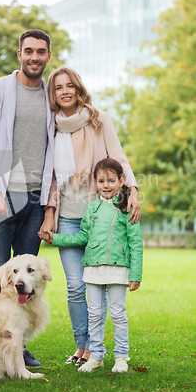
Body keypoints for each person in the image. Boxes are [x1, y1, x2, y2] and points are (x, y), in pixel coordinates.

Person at [38, 66, 140, 367]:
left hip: (98, 216)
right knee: (74, 285)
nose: (65, 91)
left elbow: (118, 157)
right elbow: (51, 175)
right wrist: (50, 211)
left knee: (99, 281)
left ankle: (97, 349)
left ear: (78, 88)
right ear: (53, 94)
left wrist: (132, 189)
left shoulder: (98, 120)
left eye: (70, 85)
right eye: (58, 87)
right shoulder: (52, 127)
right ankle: (82, 346)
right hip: (68, 216)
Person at [0, 29, 55, 367]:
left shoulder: (52, 94)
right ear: (19, 54)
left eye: (41, 51)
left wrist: (50, 203)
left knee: (25, 278)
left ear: (48, 56)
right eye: (29, 51)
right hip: (2, 195)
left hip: (36, 197)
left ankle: (17, 346)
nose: (34, 56)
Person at [44, 158, 143, 373]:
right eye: (100, 181)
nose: (106, 185)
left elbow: (135, 243)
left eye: (111, 180)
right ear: (95, 183)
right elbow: (82, 237)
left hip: (118, 269)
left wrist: (135, 274)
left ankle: (121, 357)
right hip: (92, 270)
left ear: (120, 180)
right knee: (95, 314)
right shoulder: (91, 209)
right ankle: (96, 356)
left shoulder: (127, 208)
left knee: (118, 314)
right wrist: (56, 239)